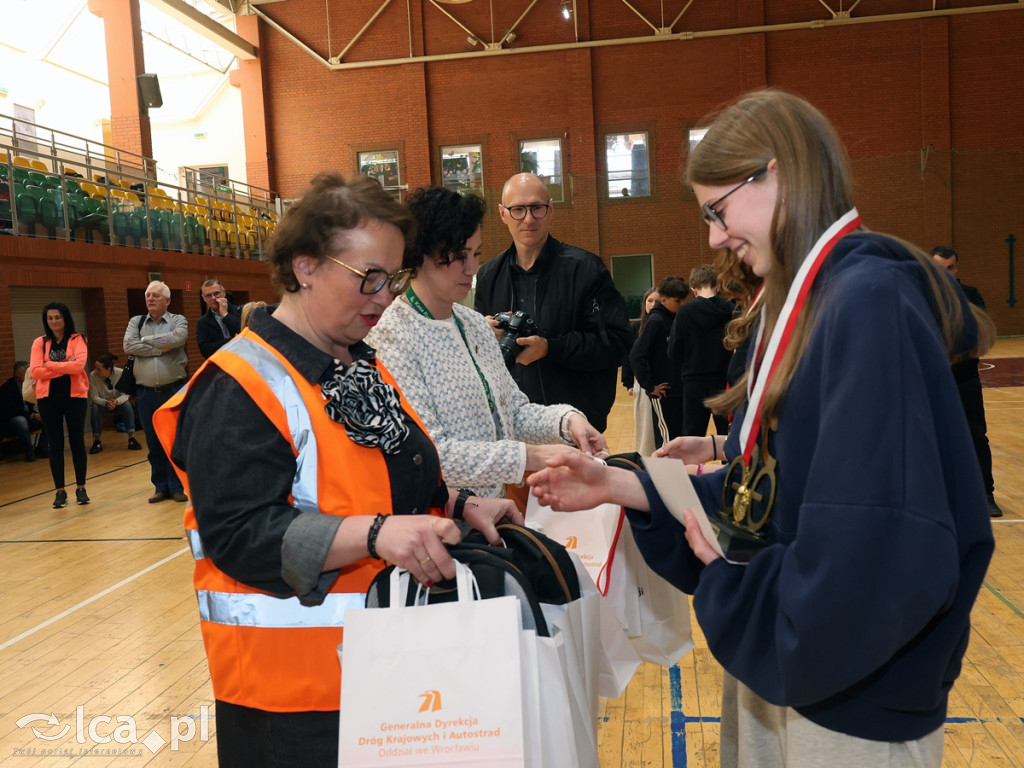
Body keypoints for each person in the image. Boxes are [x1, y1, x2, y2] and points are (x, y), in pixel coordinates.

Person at [528, 89, 996, 767]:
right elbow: (766, 497)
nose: (715, 237)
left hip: (845, 688)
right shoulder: (807, 302)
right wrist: (623, 483)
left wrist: (731, 582)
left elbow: (877, 548)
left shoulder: (866, 304)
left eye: (717, 211)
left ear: (776, 172)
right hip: (793, 662)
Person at [153, 172, 521, 767]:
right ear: (304, 267)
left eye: (393, 277)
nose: (385, 295)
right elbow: (240, 536)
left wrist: (454, 506)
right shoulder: (239, 385)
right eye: (369, 277)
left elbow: (392, 478)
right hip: (293, 702)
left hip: (384, 670)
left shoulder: (357, 364)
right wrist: (377, 535)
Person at [368, 186, 605, 501]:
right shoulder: (392, 336)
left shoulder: (475, 324)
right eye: (457, 257)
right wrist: (532, 457)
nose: (471, 268)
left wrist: (567, 421)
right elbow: (430, 453)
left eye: (476, 253)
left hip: (490, 515)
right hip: (435, 522)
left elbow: (514, 413)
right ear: (419, 256)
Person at [474, 172, 633, 433]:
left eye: (536, 208)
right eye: (518, 210)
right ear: (503, 214)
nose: (528, 218)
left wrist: (550, 348)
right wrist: (481, 333)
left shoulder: (586, 270)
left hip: (576, 427)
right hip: (512, 427)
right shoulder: (489, 275)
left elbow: (616, 344)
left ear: (550, 210)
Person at [931, 245, 1002, 518]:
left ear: (957, 268)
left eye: (950, 267)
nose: (946, 273)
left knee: (976, 438)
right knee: (931, 439)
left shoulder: (970, 295)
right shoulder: (921, 294)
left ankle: (986, 495)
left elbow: (978, 336)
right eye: (939, 267)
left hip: (965, 380)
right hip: (933, 382)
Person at [124, 281, 188, 503]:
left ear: (167, 301)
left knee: (174, 440)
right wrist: (162, 346)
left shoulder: (178, 320)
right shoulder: (136, 321)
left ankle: (177, 486)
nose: (150, 299)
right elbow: (128, 346)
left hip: (173, 390)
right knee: (153, 443)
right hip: (145, 394)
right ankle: (161, 487)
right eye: (148, 295)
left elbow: (178, 338)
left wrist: (146, 342)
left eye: (156, 295)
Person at [30, 302, 91, 508]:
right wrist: (66, 365)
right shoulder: (40, 342)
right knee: (55, 443)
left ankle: (81, 488)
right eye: (50, 318)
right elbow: (36, 371)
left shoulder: (78, 339)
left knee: (76, 441)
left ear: (65, 318)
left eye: (57, 317)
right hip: (48, 399)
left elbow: (79, 366)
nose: (54, 321)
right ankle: (60, 491)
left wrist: (51, 365)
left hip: (75, 397)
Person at [669, 263, 735, 437]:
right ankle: (729, 465)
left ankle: (693, 466)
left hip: (693, 382)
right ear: (718, 286)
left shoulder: (684, 313)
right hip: (723, 381)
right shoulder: (732, 310)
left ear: (693, 289)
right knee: (726, 436)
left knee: (692, 436)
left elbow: (674, 351)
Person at [630, 276, 690, 446]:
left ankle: (677, 473)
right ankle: (664, 473)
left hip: (677, 391)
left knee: (677, 438)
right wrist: (650, 386)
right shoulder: (655, 321)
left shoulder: (673, 319)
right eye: (677, 301)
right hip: (663, 393)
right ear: (663, 300)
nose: (680, 305)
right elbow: (636, 355)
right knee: (666, 441)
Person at [87, 353, 142, 454]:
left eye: (99, 369)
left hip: (118, 403)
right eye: (95, 368)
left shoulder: (121, 373)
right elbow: (94, 396)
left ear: (108, 369)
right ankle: (97, 441)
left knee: (127, 405)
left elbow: (126, 393)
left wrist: (116, 401)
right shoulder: (93, 376)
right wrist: (105, 402)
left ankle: (132, 438)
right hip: (103, 404)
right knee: (94, 407)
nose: (96, 370)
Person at [1, 361, 44, 462]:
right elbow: (12, 411)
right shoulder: (7, 388)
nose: (29, 375)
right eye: (26, 372)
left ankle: (42, 448)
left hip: (27, 417)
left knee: (46, 416)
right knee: (21, 421)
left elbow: (31, 404)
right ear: (17, 374)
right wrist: (33, 415)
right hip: (11, 422)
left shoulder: (28, 385)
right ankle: (29, 452)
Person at [196, 279, 242, 358]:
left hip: (243, 359)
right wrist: (233, 340)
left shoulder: (240, 311)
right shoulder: (202, 322)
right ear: (204, 298)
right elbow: (206, 350)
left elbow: (245, 335)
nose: (213, 298)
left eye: (216, 293)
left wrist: (225, 315)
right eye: (208, 295)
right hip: (220, 363)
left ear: (223, 293)